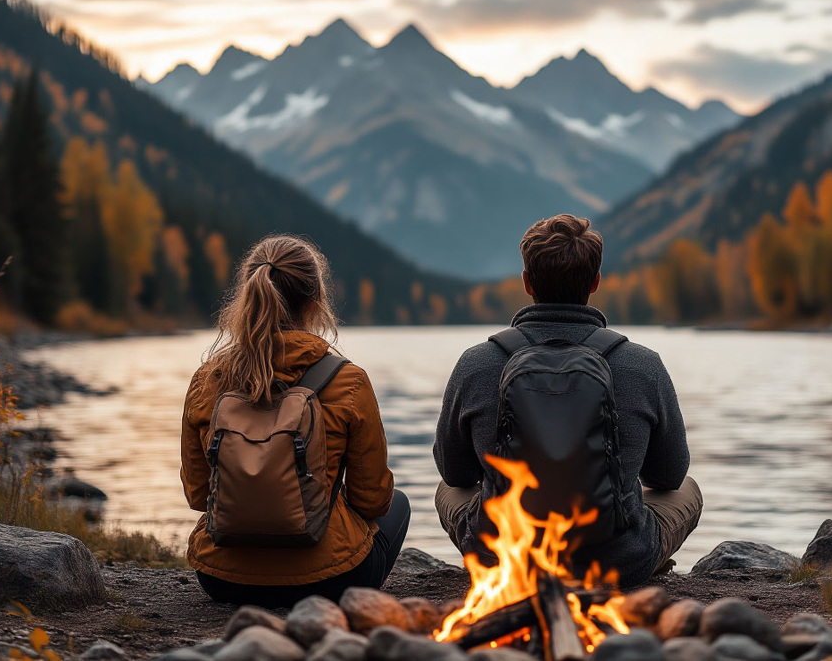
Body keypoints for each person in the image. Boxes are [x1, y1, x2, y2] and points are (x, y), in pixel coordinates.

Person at [433, 214, 702, 587]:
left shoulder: (476, 362)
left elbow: (455, 474)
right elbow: (669, 476)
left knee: (446, 489)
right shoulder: (642, 364)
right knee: (688, 490)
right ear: (595, 282)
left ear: (527, 282)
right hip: (615, 564)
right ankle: (625, 556)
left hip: (504, 558)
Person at [180, 234, 408, 607]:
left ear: (248, 296)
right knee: (398, 502)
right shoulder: (348, 380)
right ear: (316, 301)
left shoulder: (208, 379)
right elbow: (373, 500)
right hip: (331, 581)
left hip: (222, 579)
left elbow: (198, 495)